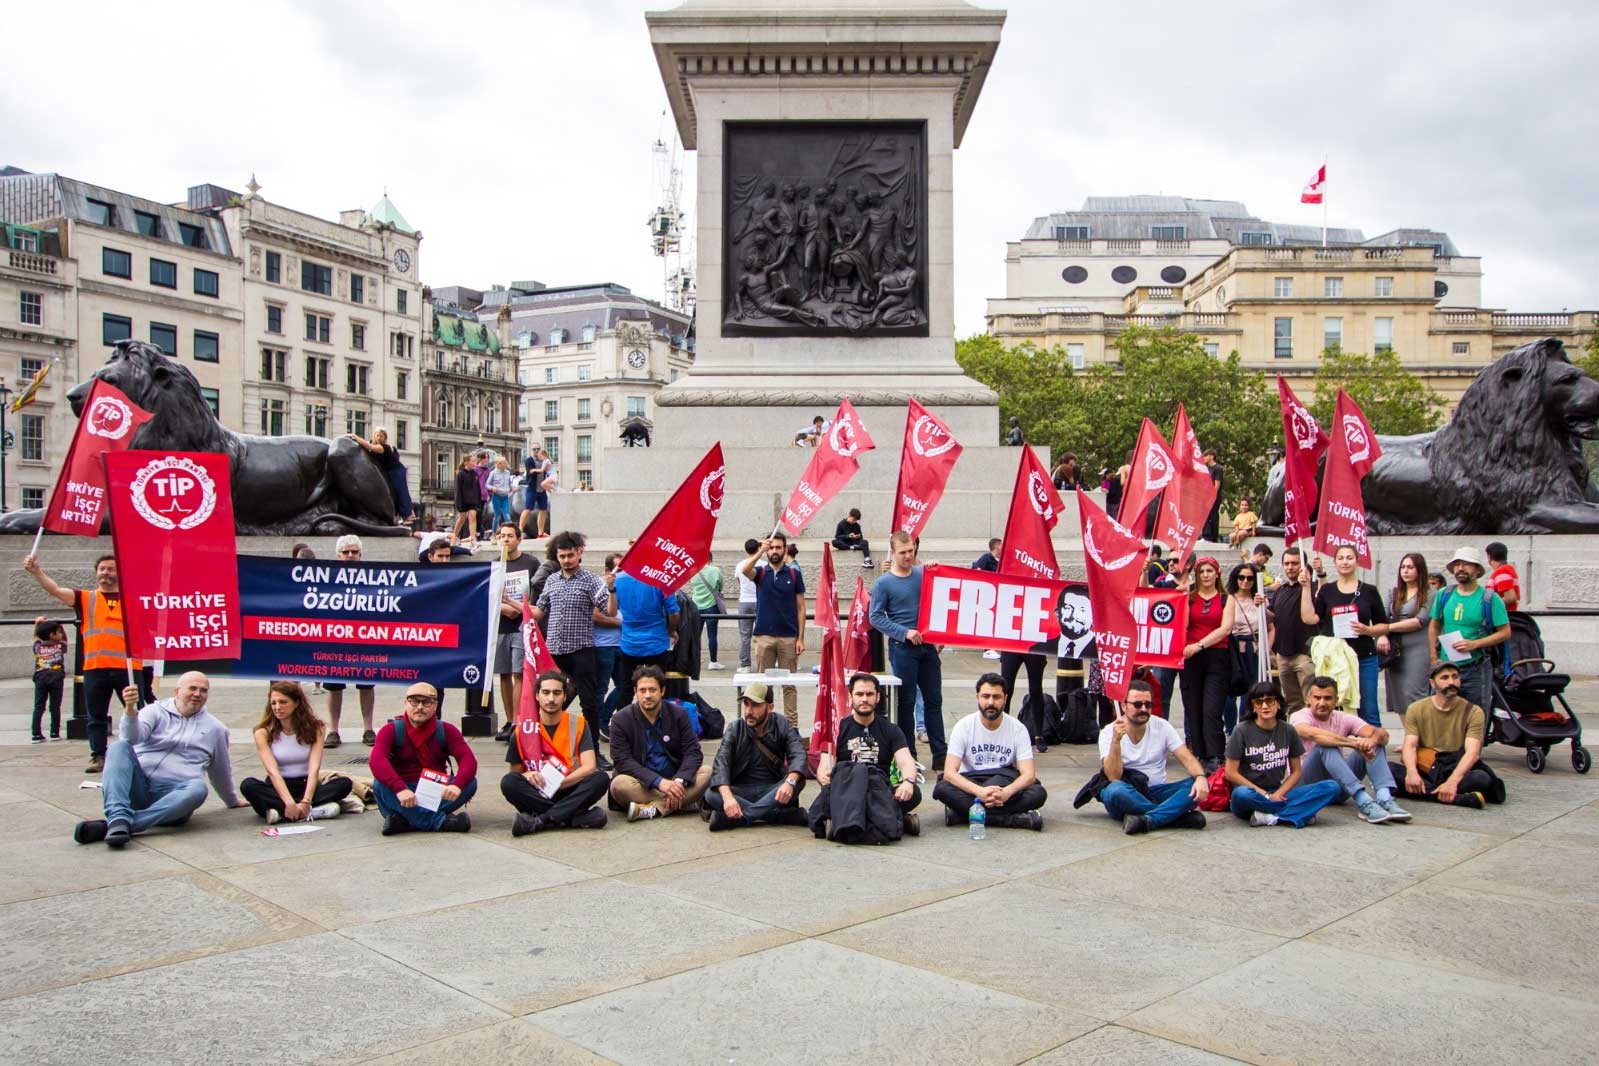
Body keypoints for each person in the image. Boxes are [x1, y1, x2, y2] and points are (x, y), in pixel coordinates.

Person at [72, 672, 247, 847]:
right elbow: (130, 738)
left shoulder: (216, 729)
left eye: (203, 690)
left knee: (198, 788)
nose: (197, 694)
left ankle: (118, 824)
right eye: (192, 688)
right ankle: (118, 816)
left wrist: (231, 800)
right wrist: (130, 711)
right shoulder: (154, 711)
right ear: (176, 691)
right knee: (119, 747)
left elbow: (220, 770)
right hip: (138, 788)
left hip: (174, 800)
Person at [22, 551, 154, 773]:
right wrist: (37, 572)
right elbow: (55, 590)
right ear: (96, 573)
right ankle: (98, 756)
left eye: (111, 569)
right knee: (96, 716)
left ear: (120, 573)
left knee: (139, 713)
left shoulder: (134, 599)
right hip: (96, 667)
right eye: (102, 569)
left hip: (128, 667)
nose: (105, 573)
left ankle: (144, 752)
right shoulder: (86, 598)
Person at [532, 530, 616, 765]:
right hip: (555, 651)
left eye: (570, 555)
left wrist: (611, 590)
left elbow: (609, 611)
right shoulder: (551, 580)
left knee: (588, 702)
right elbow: (539, 611)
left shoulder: (590, 580)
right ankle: (543, 746)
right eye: (562, 556)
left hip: (581, 649)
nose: (566, 560)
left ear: (579, 554)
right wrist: (514, 605)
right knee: (549, 699)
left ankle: (594, 752)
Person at [869, 531, 945, 768]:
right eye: (903, 553)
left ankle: (940, 754)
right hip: (903, 648)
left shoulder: (922, 574)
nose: (908, 556)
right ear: (893, 553)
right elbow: (875, 617)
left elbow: (941, 593)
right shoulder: (884, 583)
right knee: (906, 702)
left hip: (928, 646)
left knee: (934, 700)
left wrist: (933, 568)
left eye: (911, 551)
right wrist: (903, 632)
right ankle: (908, 753)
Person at [811, 673, 922, 837]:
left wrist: (908, 782)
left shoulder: (891, 729)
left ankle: (846, 821)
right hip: (847, 789)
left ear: (877, 697)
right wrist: (825, 776)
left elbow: (906, 761)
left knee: (914, 793)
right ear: (850, 697)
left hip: (879, 790)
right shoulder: (838, 728)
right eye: (859, 694)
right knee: (824, 801)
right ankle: (896, 820)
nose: (864, 699)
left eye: (869, 694)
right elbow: (824, 766)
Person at [1290, 676, 1411, 824]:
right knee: (1325, 745)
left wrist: (1370, 742)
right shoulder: (1299, 716)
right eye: (1317, 698)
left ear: (1336, 700)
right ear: (1309, 698)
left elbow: (1382, 735)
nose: (1322, 703)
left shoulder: (1343, 718)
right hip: (1308, 786)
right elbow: (1313, 734)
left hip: (1340, 787)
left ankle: (1384, 797)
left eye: (1328, 698)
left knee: (1374, 743)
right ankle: (1364, 801)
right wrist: (1354, 744)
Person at [933, 674, 1047, 829]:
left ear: (1005, 698)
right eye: (985, 696)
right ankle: (1012, 819)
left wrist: (1007, 792)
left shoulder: (1018, 728)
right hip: (973, 784)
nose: (991, 702)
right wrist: (979, 791)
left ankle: (965, 815)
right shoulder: (963, 726)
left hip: (1004, 783)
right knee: (942, 788)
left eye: (996, 697)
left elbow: (1028, 775)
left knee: (1038, 793)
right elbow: (949, 772)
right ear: (977, 697)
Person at [1096, 677, 1209, 834]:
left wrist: (1200, 778)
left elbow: (1187, 758)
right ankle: (1175, 817)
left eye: (1148, 704)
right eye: (1137, 704)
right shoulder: (1109, 732)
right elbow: (1113, 776)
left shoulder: (1162, 726)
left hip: (1156, 792)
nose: (1143, 709)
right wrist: (1116, 741)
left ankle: (1149, 820)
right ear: (1123, 705)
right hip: (1127, 793)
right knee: (1115, 790)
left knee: (1196, 785)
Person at [502, 670, 609, 834]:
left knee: (600, 778)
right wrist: (527, 775)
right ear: (537, 696)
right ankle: (571, 817)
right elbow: (515, 773)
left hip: (569, 787)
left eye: (557, 693)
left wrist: (561, 783)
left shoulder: (578, 723)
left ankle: (541, 820)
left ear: (565, 696)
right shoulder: (523, 729)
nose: (551, 699)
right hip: (538, 791)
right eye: (546, 693)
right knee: (509, 783)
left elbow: (589, 766)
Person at [1224, 681, 1340, 827]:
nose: (1265, 706)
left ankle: (1272, 817)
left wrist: (1278, 794)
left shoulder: (1288, 730)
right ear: (1253, 706)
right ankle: (1298, 812)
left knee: (1331, 787)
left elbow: (1296, 772)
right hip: (1251, 794)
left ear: (1278, 703)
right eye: (1259, 702)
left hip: (1278, 791)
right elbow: (1231, 773)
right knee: (1242, 794)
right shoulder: (1241, 730)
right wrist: (1264, 794)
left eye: (1269, 701)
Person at [368, 682, 478, 834]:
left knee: (470, 782)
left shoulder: (447, 730)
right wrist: (400, 789)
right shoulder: (390, 731)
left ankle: (405, 820)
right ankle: (441, 822)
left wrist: (456, 785)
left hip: (435, 788)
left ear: (435, 705)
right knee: (380, 784)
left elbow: (468, 760)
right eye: (414, 701)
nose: (420, 707)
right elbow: (377, 760)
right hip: (402, 790)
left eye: (426, 702)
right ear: (406, 703)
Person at [1394, 661, 1506, 808]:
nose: (1451, 682)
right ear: (1432, 683)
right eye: (1444, 678)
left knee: (1481, 779)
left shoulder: (1473, 711)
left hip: (1455, 767)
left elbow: (1472, 753)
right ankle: (1459, 799)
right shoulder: (1416, 709)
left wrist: (1452, 781)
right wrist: (1411, 772)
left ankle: (1431, 792)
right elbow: (1410, 745)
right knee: (1387, 772)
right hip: (1428, 767)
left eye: (1455, 677)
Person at [1301, 544, 1390, 727]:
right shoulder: (1327, 590)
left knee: (1368, 709)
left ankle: (1373, 753)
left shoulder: (1369, 591)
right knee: (1330, 710)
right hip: (1334, 661)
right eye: (1340, 558)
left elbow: (1383, 625)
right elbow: (1309, 618)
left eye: (1349, 557)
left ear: (1357, 561)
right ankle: (1335, 752)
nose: (1345, 562)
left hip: (1364, 658)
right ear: (1334, 562)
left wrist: (1368, 630)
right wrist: (1305, 588)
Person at [239, 681, 351, 824]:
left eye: (283, 702)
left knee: (344, 783)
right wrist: (289, 802)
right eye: (273, 703)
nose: (278, 708)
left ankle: (284, 812)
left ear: (296, 702)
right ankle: (306, 811)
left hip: (306, 785)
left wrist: (305, 801)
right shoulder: (263, 732)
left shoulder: (317, 727)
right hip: (279, 787)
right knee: (248, 785)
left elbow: (314, 767)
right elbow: (272, 771)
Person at [608, 666, 710, 820]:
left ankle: (654, 809)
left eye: (652, 690)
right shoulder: (621, 719)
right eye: (642, 690)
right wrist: (659, 783)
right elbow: (622, 761)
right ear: (635, 692)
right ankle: (682, 802)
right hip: (642, 783)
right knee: (619, 785)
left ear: (662, 691)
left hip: (675, 778)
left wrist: (679, 781)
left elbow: (693, 752)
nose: (647, 695)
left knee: (707, 772)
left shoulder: (679, 714)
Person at [705, 682, 809, 830]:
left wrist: (789, 782)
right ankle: (780, 816)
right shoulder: (735, 728)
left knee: (797, 781)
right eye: (746, 704)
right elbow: (721, 763)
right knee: (711, 794)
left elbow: (798, 754)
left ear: (770, 707)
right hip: (742, 791)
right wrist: (728, 798)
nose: (748, 711)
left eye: (755, 705)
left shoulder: (782, 724)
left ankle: (739, 819)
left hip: (773, 790)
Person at [1426, 546, 1510, 714]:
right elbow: (1434, 625)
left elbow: (1505, 632)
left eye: (1467, 564)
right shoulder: (1444, 594)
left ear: (1477, 570)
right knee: (1439, 715)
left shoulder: (1489, 598)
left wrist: (1475, 644)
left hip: (1475, 668)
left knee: (1474, 716)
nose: (1461, 568)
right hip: (1445, 666)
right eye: (1457, 565)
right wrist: (1433, 657)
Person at [741, 533, 807, 727]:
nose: (775, 551)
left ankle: (791, 727)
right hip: (764, 637)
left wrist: (800, 638)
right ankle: (763, 725)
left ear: (785, 550)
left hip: (788, 637)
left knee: (789, 685)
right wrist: (759, 551)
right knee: (762, 686)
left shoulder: (794, 574)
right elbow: (745, 569)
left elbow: (801, 607)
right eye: (772, 548)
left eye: (779, 547)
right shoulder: (760, 573)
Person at [1179, 556, 1233, 772]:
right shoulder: (1189, 598)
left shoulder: (1226, 599)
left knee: (1212, 708)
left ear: (1217, 573)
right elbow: (1179, 624)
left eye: (1209, 571)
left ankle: (1215, 754)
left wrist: (1200, 644)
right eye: (1201, 572)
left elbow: (1225, 628)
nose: (1205, 576)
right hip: (1191, 659)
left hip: (1216, 656)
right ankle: (1199, 754)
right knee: (1193, 708)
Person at [324, 534, 377, 747]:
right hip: (335, 639)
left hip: (363, 639)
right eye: (345, 552)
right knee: (334, 687)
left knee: (366, 685)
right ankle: (333, 730)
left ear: (360, 555)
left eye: (354, 552)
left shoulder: (372, 577)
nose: (350, 556)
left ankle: (368, 728)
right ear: (338, 555)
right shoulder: (327, 577)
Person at [613, 560, 680, 713]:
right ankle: (660, 722)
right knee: (658, 686)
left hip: (629, 643)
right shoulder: (661, 579)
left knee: (626, 688)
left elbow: (612, 609)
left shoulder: (618, 580)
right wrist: (671, 630)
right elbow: (674, 613)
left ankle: (621, 725)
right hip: (656, 643)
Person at [494, 522, 540, 725]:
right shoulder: (495, 565)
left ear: (519, 539)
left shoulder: (531, 563)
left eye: (510, 536)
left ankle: (518, 721)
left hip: (522, 626)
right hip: (501, 626)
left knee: (518, 673)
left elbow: (538, 595)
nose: (505, 539)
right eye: (502, 536)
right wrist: (503, 608)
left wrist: (519, 608)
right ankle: (508, 719)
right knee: (504, 675)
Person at [1221, 563, 1272, 736]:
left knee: (1250, 692)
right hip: (1232, 649)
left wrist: (1266, 650)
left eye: (1250, 578)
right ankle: (1230, 729)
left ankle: (1245, 728)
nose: (1245, 581)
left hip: (1253, 649)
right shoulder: (1229, 598)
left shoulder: (1260, 599)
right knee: (1229, 691)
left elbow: (1271, 627)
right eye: (1241, 577)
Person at [1269, 547, 1319, 713]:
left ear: (1303, 565)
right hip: (1283, 656)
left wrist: (1309, 583)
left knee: (1311, 702)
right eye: (1287, 563)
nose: (1290, 567)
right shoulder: (1281, 590)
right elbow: (1272, 618)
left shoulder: (1311, 588)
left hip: (1304, 655)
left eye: (1295, 563)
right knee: (1292, 704)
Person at [1385, 551, 1433, 714]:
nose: (1405, 571)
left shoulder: (1430, 593)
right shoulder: (1393, 593)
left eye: (1410, 567)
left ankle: (1421, 737)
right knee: (1398, 697)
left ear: (1420, 570)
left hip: (1419, 650)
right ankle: (1410, 736)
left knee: (1416, 694)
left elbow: (1419, 621)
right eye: (1403, 567)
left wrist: (1386, 628)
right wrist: (1382, 635)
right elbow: (1382, 617)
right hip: (1395, 651)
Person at [348, 428, 414, 523]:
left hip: (396, 471)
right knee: (393, 491)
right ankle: (402, 515)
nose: (379, 438)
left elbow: (368, 446)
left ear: (385, 438)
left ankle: (408, 515)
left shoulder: (383, 447)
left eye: (381, 436)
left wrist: (355, 436)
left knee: (400, 491)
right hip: (390, 471)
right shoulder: (376, 445)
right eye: (377, 435)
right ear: (374, 436)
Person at [594, 553, 624, 737]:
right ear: (607, 570)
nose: (622, 573)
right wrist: (620, 624)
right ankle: (598, 723)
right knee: (601, 687)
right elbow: (595, 616)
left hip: (622, 644)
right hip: (603, 645)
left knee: (624, 685)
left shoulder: (624, 586)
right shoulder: (600, 586)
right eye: (618, 569)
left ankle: (603, 719)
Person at [30, 618, 67, 743]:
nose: (61, 634)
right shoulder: (60, 646)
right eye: (59, 632)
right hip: (56, 678)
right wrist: (60, 625)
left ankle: (36, 733)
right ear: (52, 635)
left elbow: (35, 637)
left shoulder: (38, 647)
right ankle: (54, 732)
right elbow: (65, 640)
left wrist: (37, 624)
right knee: (55, 706)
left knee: (39, 706)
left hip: (40, 678)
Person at [687, 555, 726, 671]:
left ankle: (694, 659)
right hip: (712, 605)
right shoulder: (715, 570)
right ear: (710, 558)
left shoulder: (693, 570)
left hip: (696, 605)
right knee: (712, 635)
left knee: (695, 635)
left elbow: (693, 585)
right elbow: (720, 586)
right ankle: (713, 661)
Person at [735, 538, 761, 670]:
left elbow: (739, 582)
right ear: (758, 548)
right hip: (760, 601)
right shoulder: (763, 564)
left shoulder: (740, 565)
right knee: (763, 635)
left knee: (745, 635)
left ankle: (745, 665)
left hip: (744, 601)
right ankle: (764, 662)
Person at [452, 455, 483, 546]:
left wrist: (478, 500)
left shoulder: (475, 474)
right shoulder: (460, 474)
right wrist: (458, 502)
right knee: (462, 518)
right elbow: (458, 489)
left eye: (474, 461)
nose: (474, 463)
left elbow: (478, 488)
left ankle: (473, 538)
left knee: (472, 517)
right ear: (466, 462)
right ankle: (454, 536)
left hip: (472, 501)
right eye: (472, 461)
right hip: (463, 500)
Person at [522, 445, 552, 539]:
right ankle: (520, 530)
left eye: (538, 449)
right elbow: (530, 471)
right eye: (534, 449)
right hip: (532, 488)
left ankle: (540, 532)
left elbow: (549, 467)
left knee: (543, 510)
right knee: (528, 509)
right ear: (531, 450)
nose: (536, 451)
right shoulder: (529, 460)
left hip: (542, 489)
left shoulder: (544, 460)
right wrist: (538, 470)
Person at [1485, 541, 1521, 612]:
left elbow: (1510, 598)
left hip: (1503, 617)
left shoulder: (1502, 572)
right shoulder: (1507, 569)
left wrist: (1488, 606)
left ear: (1489, 557)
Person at [1201, 449, 1223, 542]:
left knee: (1213, 515)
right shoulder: (1206, 468)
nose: (1204, 458)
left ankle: (1213, 536)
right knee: (1205, 514)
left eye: (1206, 456)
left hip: (1214, 496)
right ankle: (1206, 535)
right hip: (1206, 495)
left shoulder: (1218, 468)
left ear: (1211, 456)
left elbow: (1217, 484)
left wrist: (1212, 496)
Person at [486, 457, 515, 529]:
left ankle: (511, 532)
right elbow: (487, 484)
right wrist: (492, 488)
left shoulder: (507, 473)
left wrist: (512, 488)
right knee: (497, 516)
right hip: (496, 497)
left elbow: (509, 483)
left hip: (505, 497)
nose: (506, 464)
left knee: (507, 516)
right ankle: (494, 533)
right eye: (504, 463)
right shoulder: (493, 473)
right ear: (499, 464)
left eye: (506, 463)